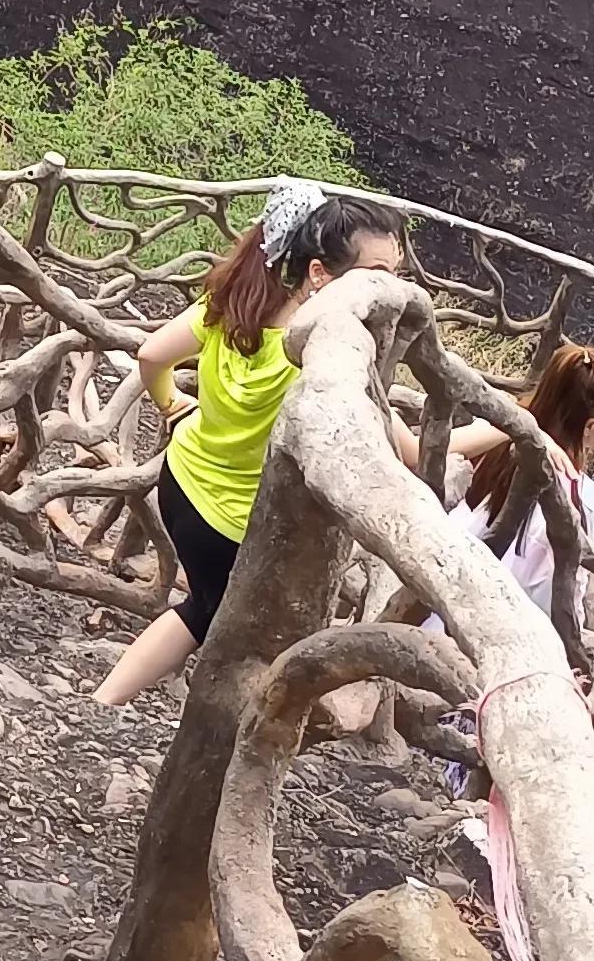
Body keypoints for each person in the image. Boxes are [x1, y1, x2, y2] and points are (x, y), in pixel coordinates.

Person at [95, 185, 408, 711]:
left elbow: (150, 354)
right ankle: (194, 723)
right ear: (318, 272)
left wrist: (172, 405)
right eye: (376, 274)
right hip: (232, 522)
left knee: (205, 611)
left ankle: (108, 703)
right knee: (224, 621)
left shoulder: (234, 304)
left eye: (396, 275)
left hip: (182, 483)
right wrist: (528, 425)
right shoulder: (318, 358)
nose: (390, 289)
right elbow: (414, 451)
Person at [446, 342, 594, 616]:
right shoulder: (575, 496)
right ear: (591, 427)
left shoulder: (499, 433)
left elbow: (419, 452)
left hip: (441, 591)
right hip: (494, 625)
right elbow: (555, 596)